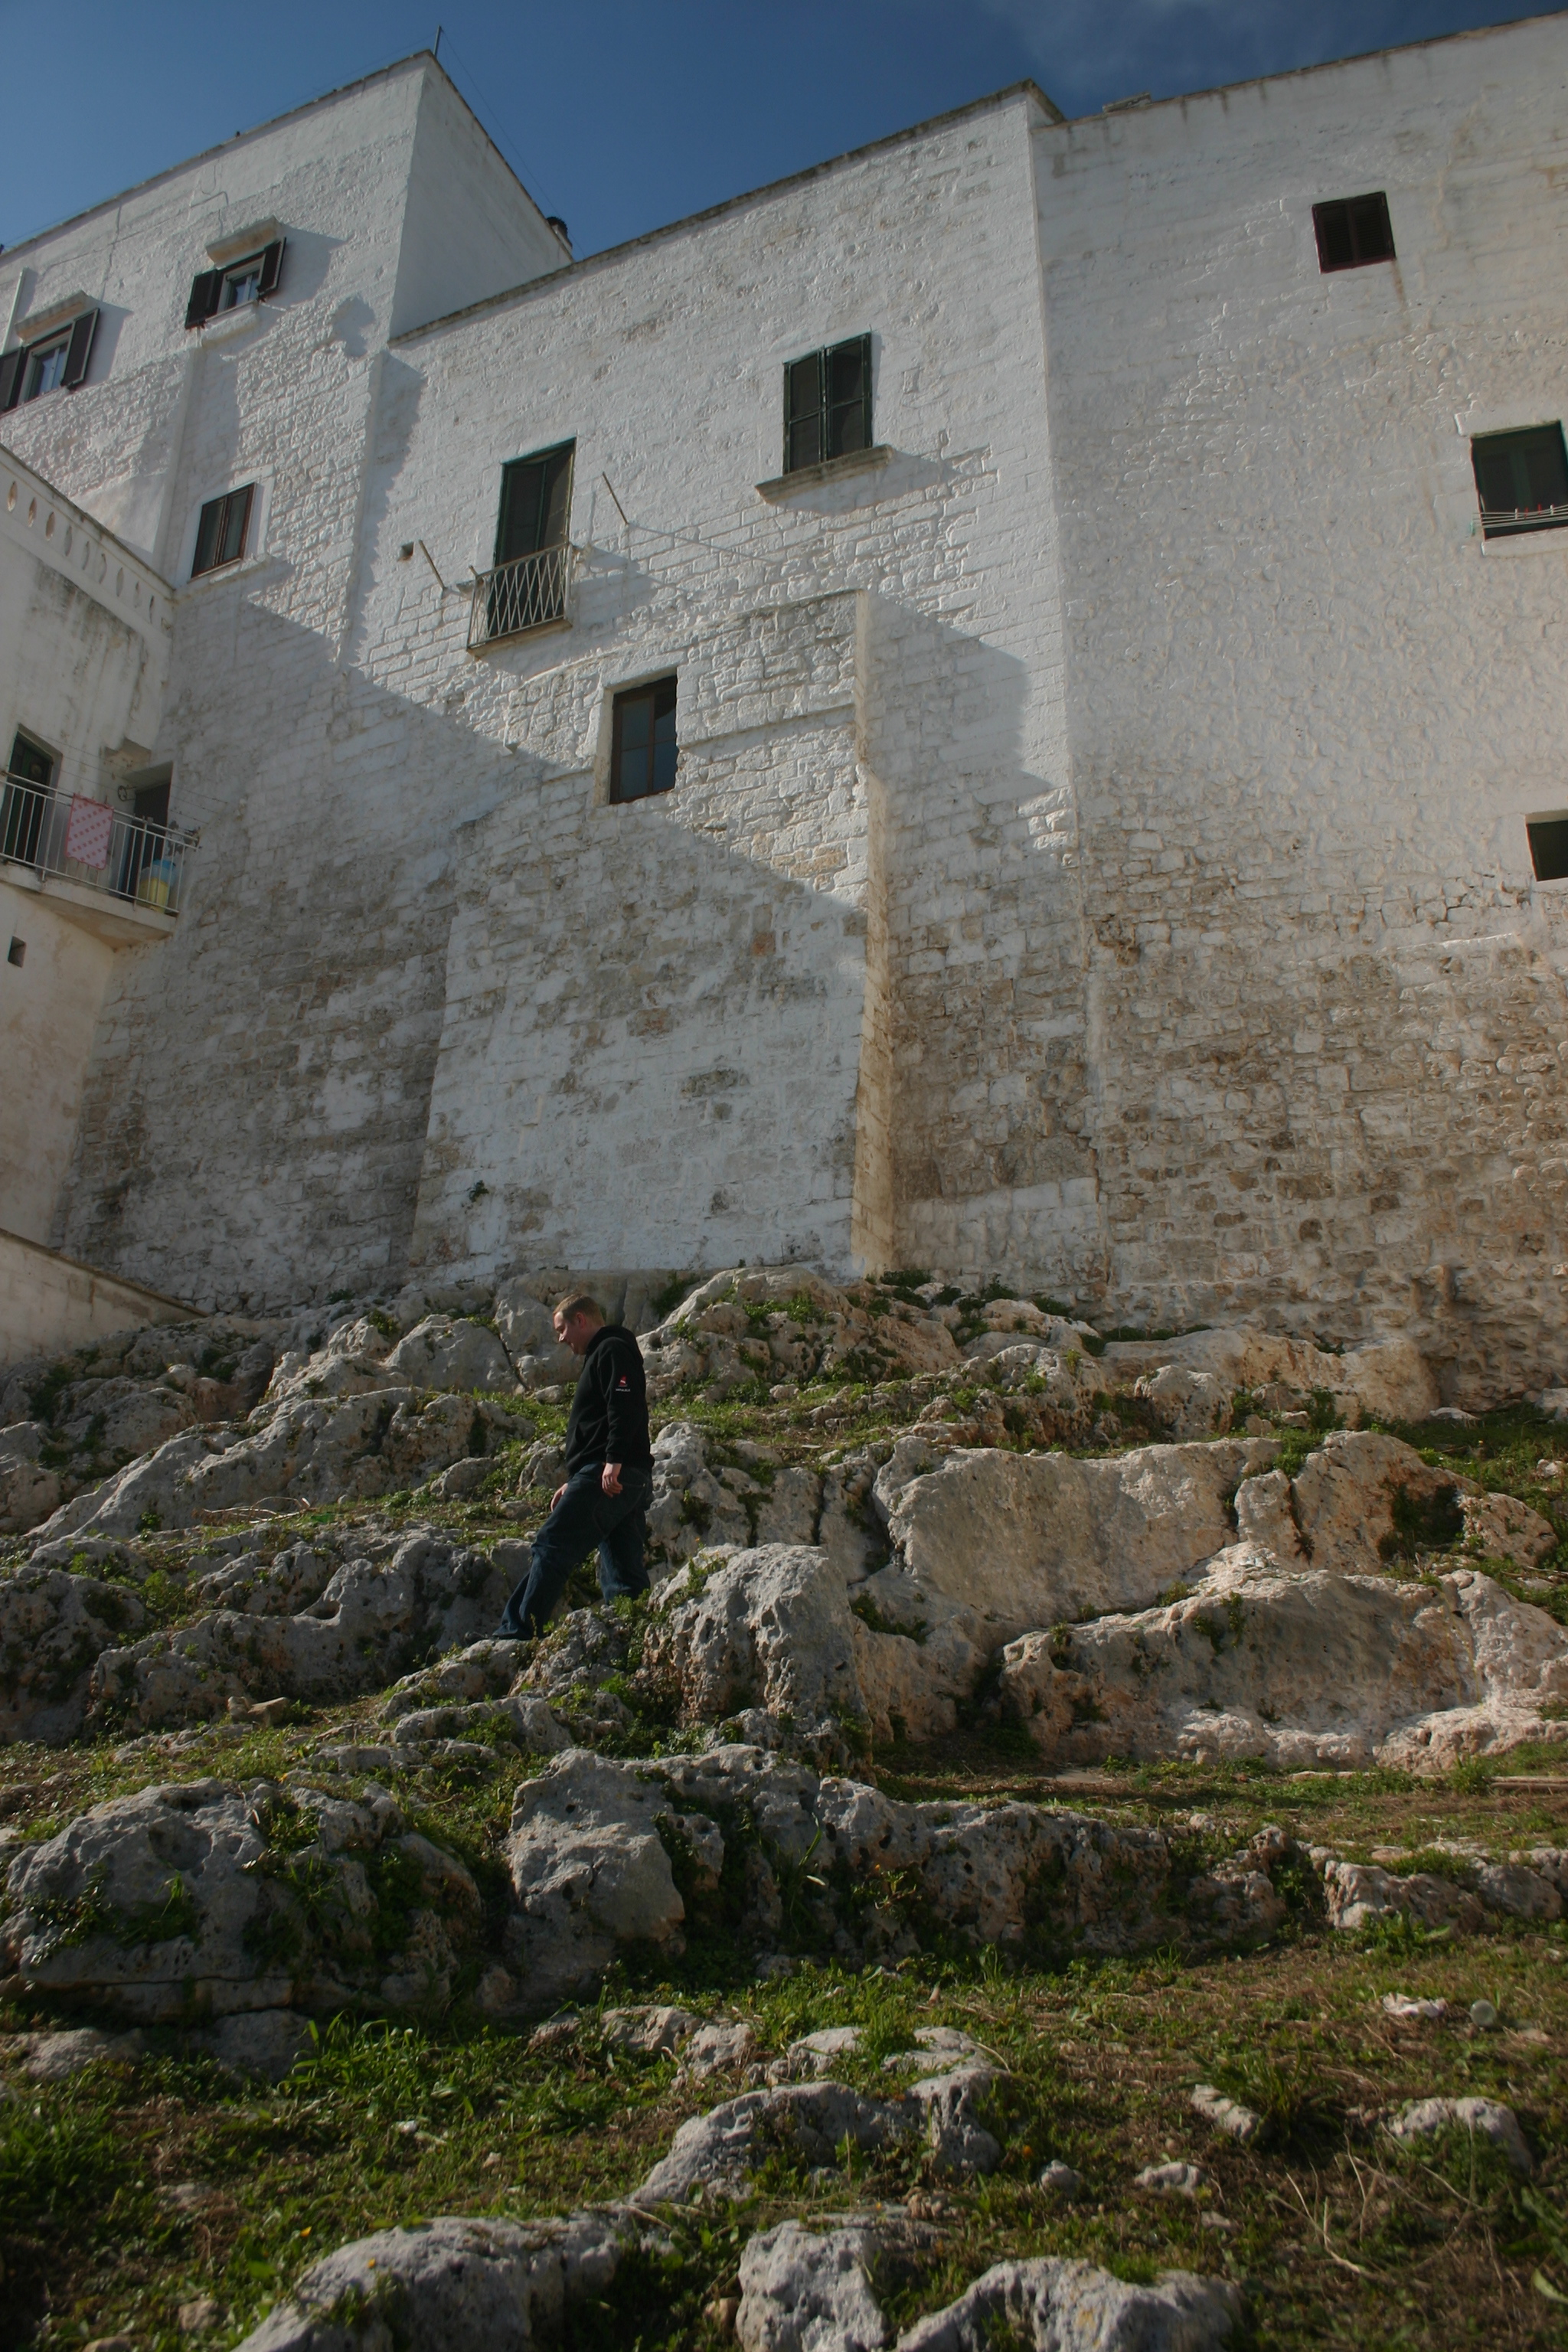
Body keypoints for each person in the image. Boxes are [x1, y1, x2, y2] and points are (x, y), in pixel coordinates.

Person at [497, 1292, 654, 1638]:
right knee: (623, 1565)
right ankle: (631, 1636)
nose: (561, 1339)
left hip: (610, 1474)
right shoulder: (608, 1352)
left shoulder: (611, 1350)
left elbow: (624, 1406)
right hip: (620, 1474)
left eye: (562, 1329)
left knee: (552, 1544)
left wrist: (612, 1462)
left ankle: (518, 1632)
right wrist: (577, 1479)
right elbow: (604, 1422)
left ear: (580, 1320)